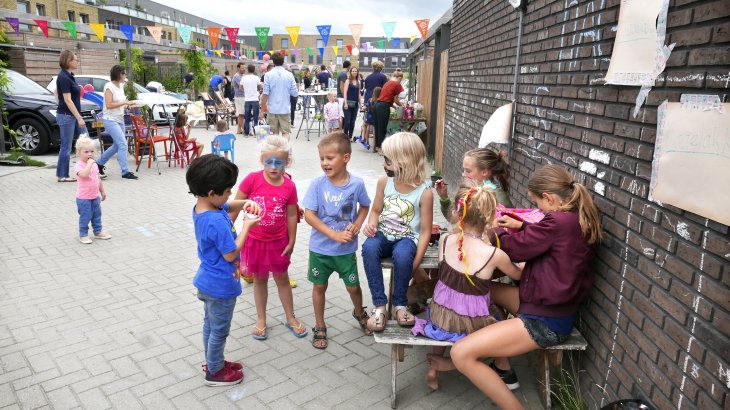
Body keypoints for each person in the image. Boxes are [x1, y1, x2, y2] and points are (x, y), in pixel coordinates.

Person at [431, 165, 603, 410]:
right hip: (551, 307)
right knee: (488, 291)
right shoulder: (572, 218)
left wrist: (488, 232)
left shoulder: (555, 222)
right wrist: (522, 226)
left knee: (461, 353)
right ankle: (503, 368)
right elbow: (547, 237)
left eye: (537, 204)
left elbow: (516, 248)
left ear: (549, 198)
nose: (537, 210)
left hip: (545, 321)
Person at [411, 181, 523, 390]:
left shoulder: (444, 239)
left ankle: (433, 370)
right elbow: (517, 274)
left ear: (456, 214)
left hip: (439, 315)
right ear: (490, 218)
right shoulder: (494, 255)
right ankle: (479, 365)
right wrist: (525, 265)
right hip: (472, 322)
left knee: (448, 313)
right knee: (500, 317)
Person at [185, 154, 261, 386]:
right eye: (228, 191)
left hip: (208, 281)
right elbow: (230, 254)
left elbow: (228, 205)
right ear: (212, 193)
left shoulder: (203, 207)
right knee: (219, 331)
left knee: (210, 325)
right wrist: (247, 225)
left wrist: (246, 202)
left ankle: (213, 361)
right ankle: (215, 373)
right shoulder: (217, 221)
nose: (231, 195)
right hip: (221, 286)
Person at [230, 136, 307, 340]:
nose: (273, 167)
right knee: (260, 280)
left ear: (286, 162)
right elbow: (235, 204)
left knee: (282, 279)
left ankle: (290, 317)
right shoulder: (252, 179)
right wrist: (226, 228)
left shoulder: (289, 186)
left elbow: (291, 215)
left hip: (278, 242)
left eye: (279, 163)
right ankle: (261, 319)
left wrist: (292, 241)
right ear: (262, 160)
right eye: (269, 162)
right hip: (254, 241)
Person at [303, 132, 372, 348]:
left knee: (353, 288)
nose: (325, 163)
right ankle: (320, 325)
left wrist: (358, 224)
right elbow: (309, 215)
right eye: (322, 158)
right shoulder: (317, 184)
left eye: (330, 158)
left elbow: (365, 206)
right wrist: (333, 235)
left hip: (345, 251)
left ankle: (359, 312)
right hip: (320, 251)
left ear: (345, 158)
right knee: (319, 287)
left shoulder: (357, 184)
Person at [361, 132, 433, 330]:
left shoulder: (425, 192)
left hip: (407, 239)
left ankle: (400, 305)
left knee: (402, 256)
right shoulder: (385, 182)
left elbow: (426, 231)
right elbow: (375, 210)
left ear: (406, 162)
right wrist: (371, 225)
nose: (383, 164)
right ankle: (380, 306)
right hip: (383, 234)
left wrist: (414, 263)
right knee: (368, 248)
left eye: (388, 160)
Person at [434, 148, 514, 221]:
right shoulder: (471, 191)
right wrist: (444, 198)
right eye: (464, 170)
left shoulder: (498, 199)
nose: (464, 174)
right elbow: (454, 219)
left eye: (468, 171)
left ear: (484, 172)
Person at [96, 65, 138, 180]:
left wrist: (128, 107)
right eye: (124, 74)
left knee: (116, 145)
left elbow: (120, 104)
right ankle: (125, 172)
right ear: (120, 74)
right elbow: (109, 105)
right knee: (123, 144)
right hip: (110, 119)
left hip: (119, 119)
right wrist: (125, 102)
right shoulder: (109, 86)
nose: (125, 76)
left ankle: (98, 163)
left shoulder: (120, 87)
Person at [74, 135, 111, 244]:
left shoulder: (94, 165)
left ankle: (98, 232)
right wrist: (89, 165)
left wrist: (102, 191)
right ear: (78, 153)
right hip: (84, 198)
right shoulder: (79, 165)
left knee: (96, 215)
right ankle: (83, 234)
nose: (90, 154)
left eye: (92, 151)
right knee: (85, 217)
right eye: (86, 152)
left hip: (95, 196)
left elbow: (97, 178)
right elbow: (84, 175)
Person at [55, 50, 84, 182]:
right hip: (68, 116)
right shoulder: (64, 77)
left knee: (86, 140)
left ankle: (92, 170)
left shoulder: (69, 75)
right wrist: (79, 117)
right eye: (76, 60)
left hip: (71, 115)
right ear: (68, 61)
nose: (77, 62)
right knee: (66, 146)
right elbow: (67, 100)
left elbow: (56, 92)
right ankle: (62, 175)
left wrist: (59, 104)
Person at [259, 52, 298, 139]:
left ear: (273, 62)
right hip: (285, 108)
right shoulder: (289, 75)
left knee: (274, 133)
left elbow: (265, 94)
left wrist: (262, 111)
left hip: (272, 108)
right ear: (283, 61)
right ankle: (284, 150)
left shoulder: (268, 75)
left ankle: (276, 151)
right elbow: (295, 93)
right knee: (285, 133)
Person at [373, 69, 405, 153]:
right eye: (401, 80)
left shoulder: (387, 83)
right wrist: (402, 106)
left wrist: (394, 107)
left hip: (377, 105)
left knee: (377, 127)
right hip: (383, 107)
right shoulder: (397, 84)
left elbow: (387, 99)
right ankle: (381, 149)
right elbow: (395, 99)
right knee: (382, 128)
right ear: (400, 78)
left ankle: (378, 147)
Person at [241, 64, 262, 136]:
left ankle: (246, 132)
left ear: (248, 70)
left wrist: (245, 91)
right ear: (254, 70)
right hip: (255, 98)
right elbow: (260, 86)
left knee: (247, 116)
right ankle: (256, 132)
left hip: (247, 99)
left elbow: (240, 87)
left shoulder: (244, 78)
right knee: (256, 116)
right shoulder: (256, 78)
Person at [342, 66, 361, 142]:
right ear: (350, 72)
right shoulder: (348, 81)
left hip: (355, 104)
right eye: (353, 71)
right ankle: (345, 137)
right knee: (347, 121)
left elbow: (359, 94)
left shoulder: (358, 82)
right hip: (348, 104)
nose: (354, 72)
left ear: (357, 72)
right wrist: (345, 103)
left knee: (353, 122)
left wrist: (361, 104)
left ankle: (350, 137)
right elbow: (345, 92)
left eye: (355, 71)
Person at [232, 63, 247, 134]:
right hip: (239, 97)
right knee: (241, 114)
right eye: (242, 68)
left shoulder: (243, 76)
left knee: (241, 113)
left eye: (244, 68)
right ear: (238, 68)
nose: (244, 69)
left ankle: (239, 129)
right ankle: (244, 129)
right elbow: (241, 87)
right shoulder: (237, 76)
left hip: (243, 96)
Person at [337, 61, 351, 129]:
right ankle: (340, 130)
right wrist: (345, 97)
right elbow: (341, 87)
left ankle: (340, 129)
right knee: (341, 114)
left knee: (341, 113)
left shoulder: (341, 73)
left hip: (340, 96)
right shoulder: (343, 74)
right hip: (341, 96)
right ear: (349, 66)